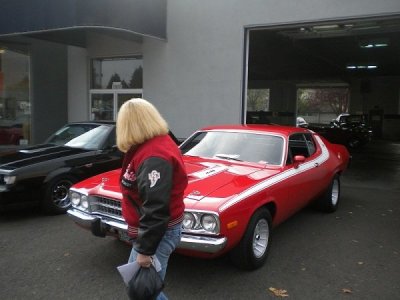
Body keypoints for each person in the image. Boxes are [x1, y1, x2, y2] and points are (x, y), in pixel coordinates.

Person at [116, 98, 188, 300]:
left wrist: (145, 250)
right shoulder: (151, 145)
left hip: (158, 235)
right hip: (156, 233)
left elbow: (156, 208)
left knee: (143, 292)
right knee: (141, 288)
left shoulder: (154, 156)